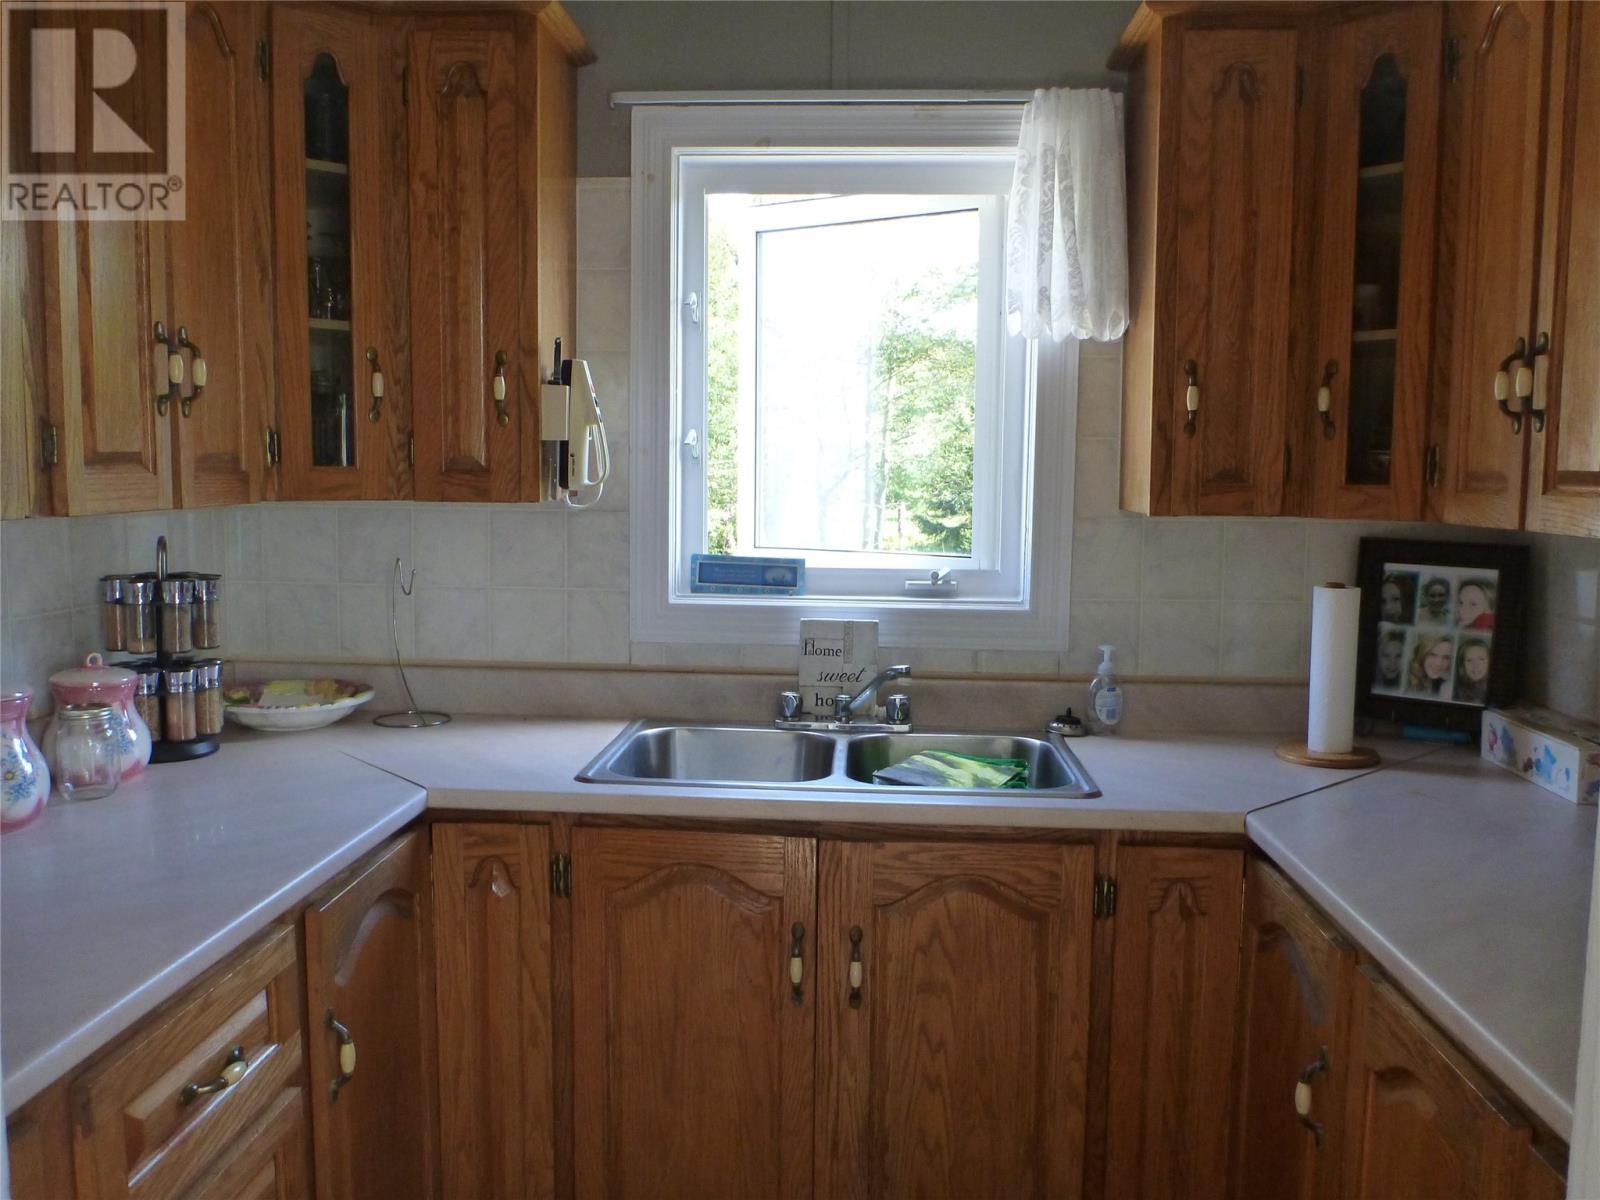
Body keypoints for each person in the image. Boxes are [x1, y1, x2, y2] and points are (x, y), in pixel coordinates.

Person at [1454, 639, 1491, 704]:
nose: (1475, 665)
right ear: (1462, 665)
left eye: (1481, 659)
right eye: (1469, 660)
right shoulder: (1454, 692)